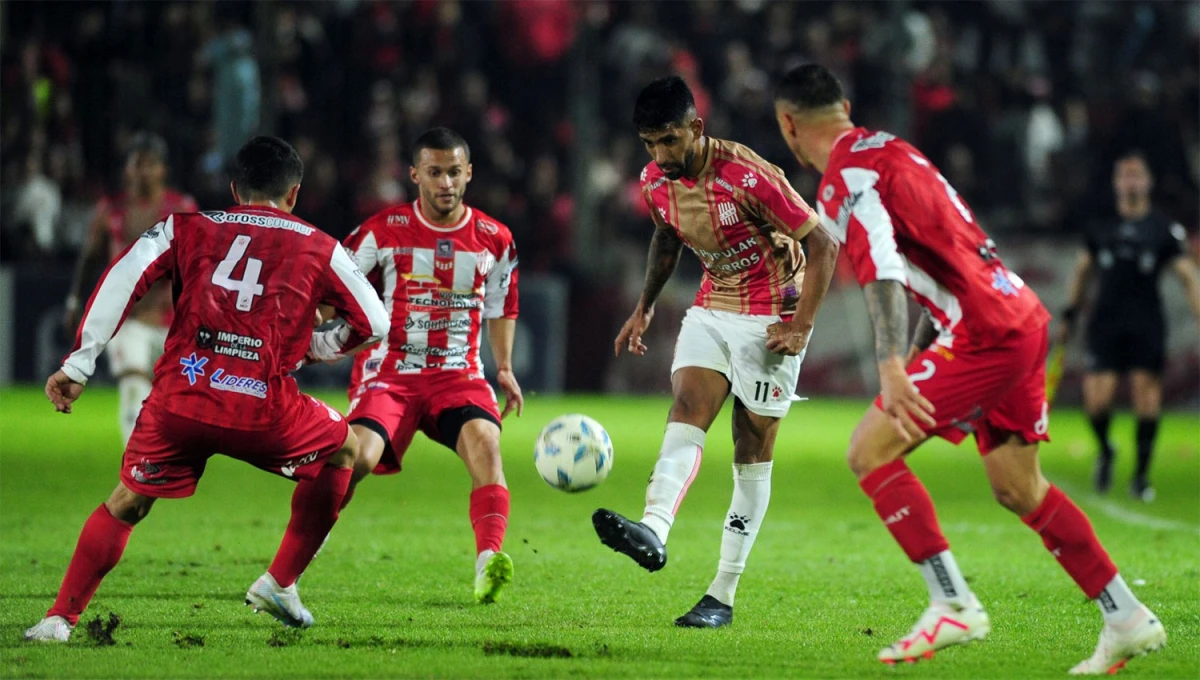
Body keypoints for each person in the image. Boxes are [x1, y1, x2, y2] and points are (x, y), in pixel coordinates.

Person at [773, 64, 1165, 674]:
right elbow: (942, 255)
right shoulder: (896, 151)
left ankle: (951, 601)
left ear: (787, 124)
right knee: (1018, 486)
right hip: (1020, 314)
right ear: (844, 106)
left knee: (869, 450)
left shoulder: (842, 180)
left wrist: (892, 363)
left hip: (987, 333)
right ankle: (1126, 616)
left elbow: (883, 266)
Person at [24, 136, 389, 642]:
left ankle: (58, 620)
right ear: (295, 194)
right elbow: (374, 321)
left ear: (236, 189)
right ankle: (280, 581)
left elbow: (123, 275)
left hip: (183, 399)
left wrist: (80, 363)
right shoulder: (319, 245)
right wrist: (318, 348)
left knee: (127, 500)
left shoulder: (188, 226)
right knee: (344, 449)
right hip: (264, 409)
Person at [592, 76, 839, 628]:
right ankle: (653, 529)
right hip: (713, 305)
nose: (660, 155)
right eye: (650, 143)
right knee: (686, 409)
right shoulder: (656, 181)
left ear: (695, 129)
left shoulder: (748, 176)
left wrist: (801, 327)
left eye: (670, 141)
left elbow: (825, 245)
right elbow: (666, 236)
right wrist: (645, 306)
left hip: (773, 314)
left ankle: (721, 595)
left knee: (750, 447)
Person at [334, 127, 522, 604]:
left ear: (469, 174)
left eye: (455, 172)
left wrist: (503, 368)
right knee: (356, 458)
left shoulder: (494, 239)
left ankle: (488, 564)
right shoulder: (383, 229)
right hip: (391, 372)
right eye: (435, 172)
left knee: (488, 447)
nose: (446, 183)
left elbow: (503, 305)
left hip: (457, 376)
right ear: (415, 174)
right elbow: (334, 282)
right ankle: (301, 550)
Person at [1060, 150, 1200, 501]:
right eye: (1125, 175)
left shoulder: (1163, 230)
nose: (1131, 181)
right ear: (1116, 183)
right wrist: (1070, 313)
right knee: (1097, 401)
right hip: (1105, 323)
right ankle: (1106, 450)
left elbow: (1188, 277)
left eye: (1137, 175)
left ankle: (1140, 475)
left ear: (1148, 182)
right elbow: (1083, 272)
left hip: (1146, 323)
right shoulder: (1101, 227)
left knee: (1146, 397)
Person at [64, 133, 199, 443]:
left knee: (171, 401)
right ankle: (138, 463)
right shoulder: (110, 210)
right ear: (127, 170)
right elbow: (89, 258)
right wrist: (74, 300)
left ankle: (161, 460)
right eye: (137, 164)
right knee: (133, 385)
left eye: (150, 164)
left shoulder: (181, 207)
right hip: (128, 321)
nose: (143, 171)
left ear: (163, 170)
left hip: (172, 322)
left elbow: (199, 265)